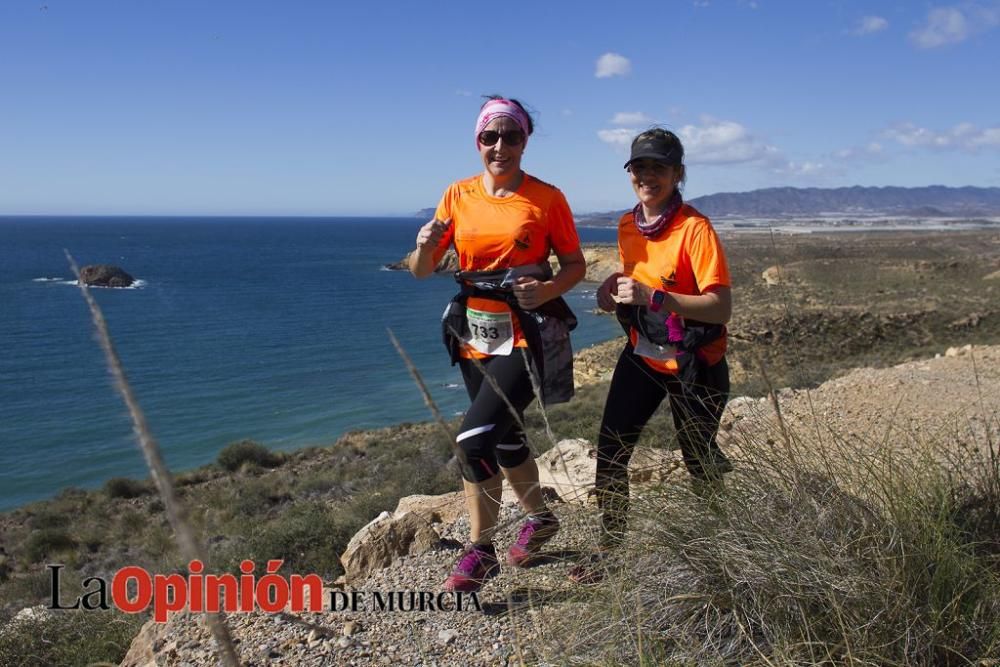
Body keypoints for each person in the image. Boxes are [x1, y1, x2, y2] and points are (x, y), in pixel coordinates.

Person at [409, 96, 586, 592]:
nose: (500, 146)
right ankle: (541, 518)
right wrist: (424, 246)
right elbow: (423, 270)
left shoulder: (547, 198)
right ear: (477, 141)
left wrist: (549, 289)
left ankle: (479, 551)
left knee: (472, 440)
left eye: (512, 136)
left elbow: (574, 265)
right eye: (491, 136)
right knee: (505, 437)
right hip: (474, 331)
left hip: (527, 331)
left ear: (526, 141)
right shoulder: (456, 195)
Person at [574, 128, 733, 581]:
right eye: (639, 167)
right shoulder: (627, 226)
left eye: (658, 168)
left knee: (698, 458)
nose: (648, 176)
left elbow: (721, 307)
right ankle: (611, 548)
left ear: (678, 174)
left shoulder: (695, 230)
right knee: (610, 452)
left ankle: (723, 543)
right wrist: (612, 291)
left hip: (694, 364)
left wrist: (656, 297)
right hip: (642, 357)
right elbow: (633, 280)